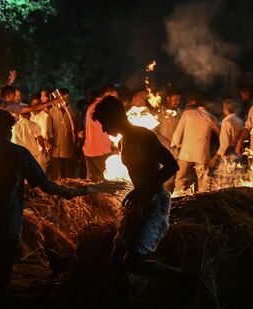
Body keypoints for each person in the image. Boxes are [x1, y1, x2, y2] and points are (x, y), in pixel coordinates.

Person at [0, 109, 88, 304]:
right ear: (7, 130)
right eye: (10, 128)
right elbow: (45, 185)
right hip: (5, 228)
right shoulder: (18, 154)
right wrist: (73, 191)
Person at [92, 96, 194, 305]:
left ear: (115, 116)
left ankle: (186, 278)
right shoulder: (123, 141)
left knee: (133, 263)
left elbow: (172, 166)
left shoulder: (143, 135)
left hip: (155, 203)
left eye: (104, 123)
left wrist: (142, 191)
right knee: (116, 260)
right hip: (140, 204)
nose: (103, 129)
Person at [171, 101, 221, 193]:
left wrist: (176, 144)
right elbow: (220, 134)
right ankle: (203, 198)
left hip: (185, 152)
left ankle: (179, 195)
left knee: (181, 177)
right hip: (201, 153)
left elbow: (178, 132)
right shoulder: (211, 117)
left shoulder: (187, 114)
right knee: (203, 178)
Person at [82, 85, 118, 182]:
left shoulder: (92, 105)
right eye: (114, 98)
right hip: (101, 151)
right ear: (107, 95)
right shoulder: (102, 106)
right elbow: (112, 127)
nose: (115, 101)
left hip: (90, 150)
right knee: (105, 182)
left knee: (92, 182)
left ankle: (91, 197)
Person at [48, 88, 82, 180]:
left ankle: (68, 193)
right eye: (61, 98)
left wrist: (78, 145)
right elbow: (49, 131)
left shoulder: (75, 111)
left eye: (66, 98)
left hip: (70, 150)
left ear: (69, 98)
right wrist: (50, 143)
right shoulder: (51, 111)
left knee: (69, 176)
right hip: (55, 150)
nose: (63, 101)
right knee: (54, 176)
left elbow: (79, 131)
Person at [29, 95, 52, 173]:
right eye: (34, 104)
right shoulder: (28, 117)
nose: (36, 106)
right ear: (31, 105)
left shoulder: (46, 116)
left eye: (38, 103)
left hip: (43, 150)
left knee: (42, 173)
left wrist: (47, 141)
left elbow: (51, 132)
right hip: (31, 150)